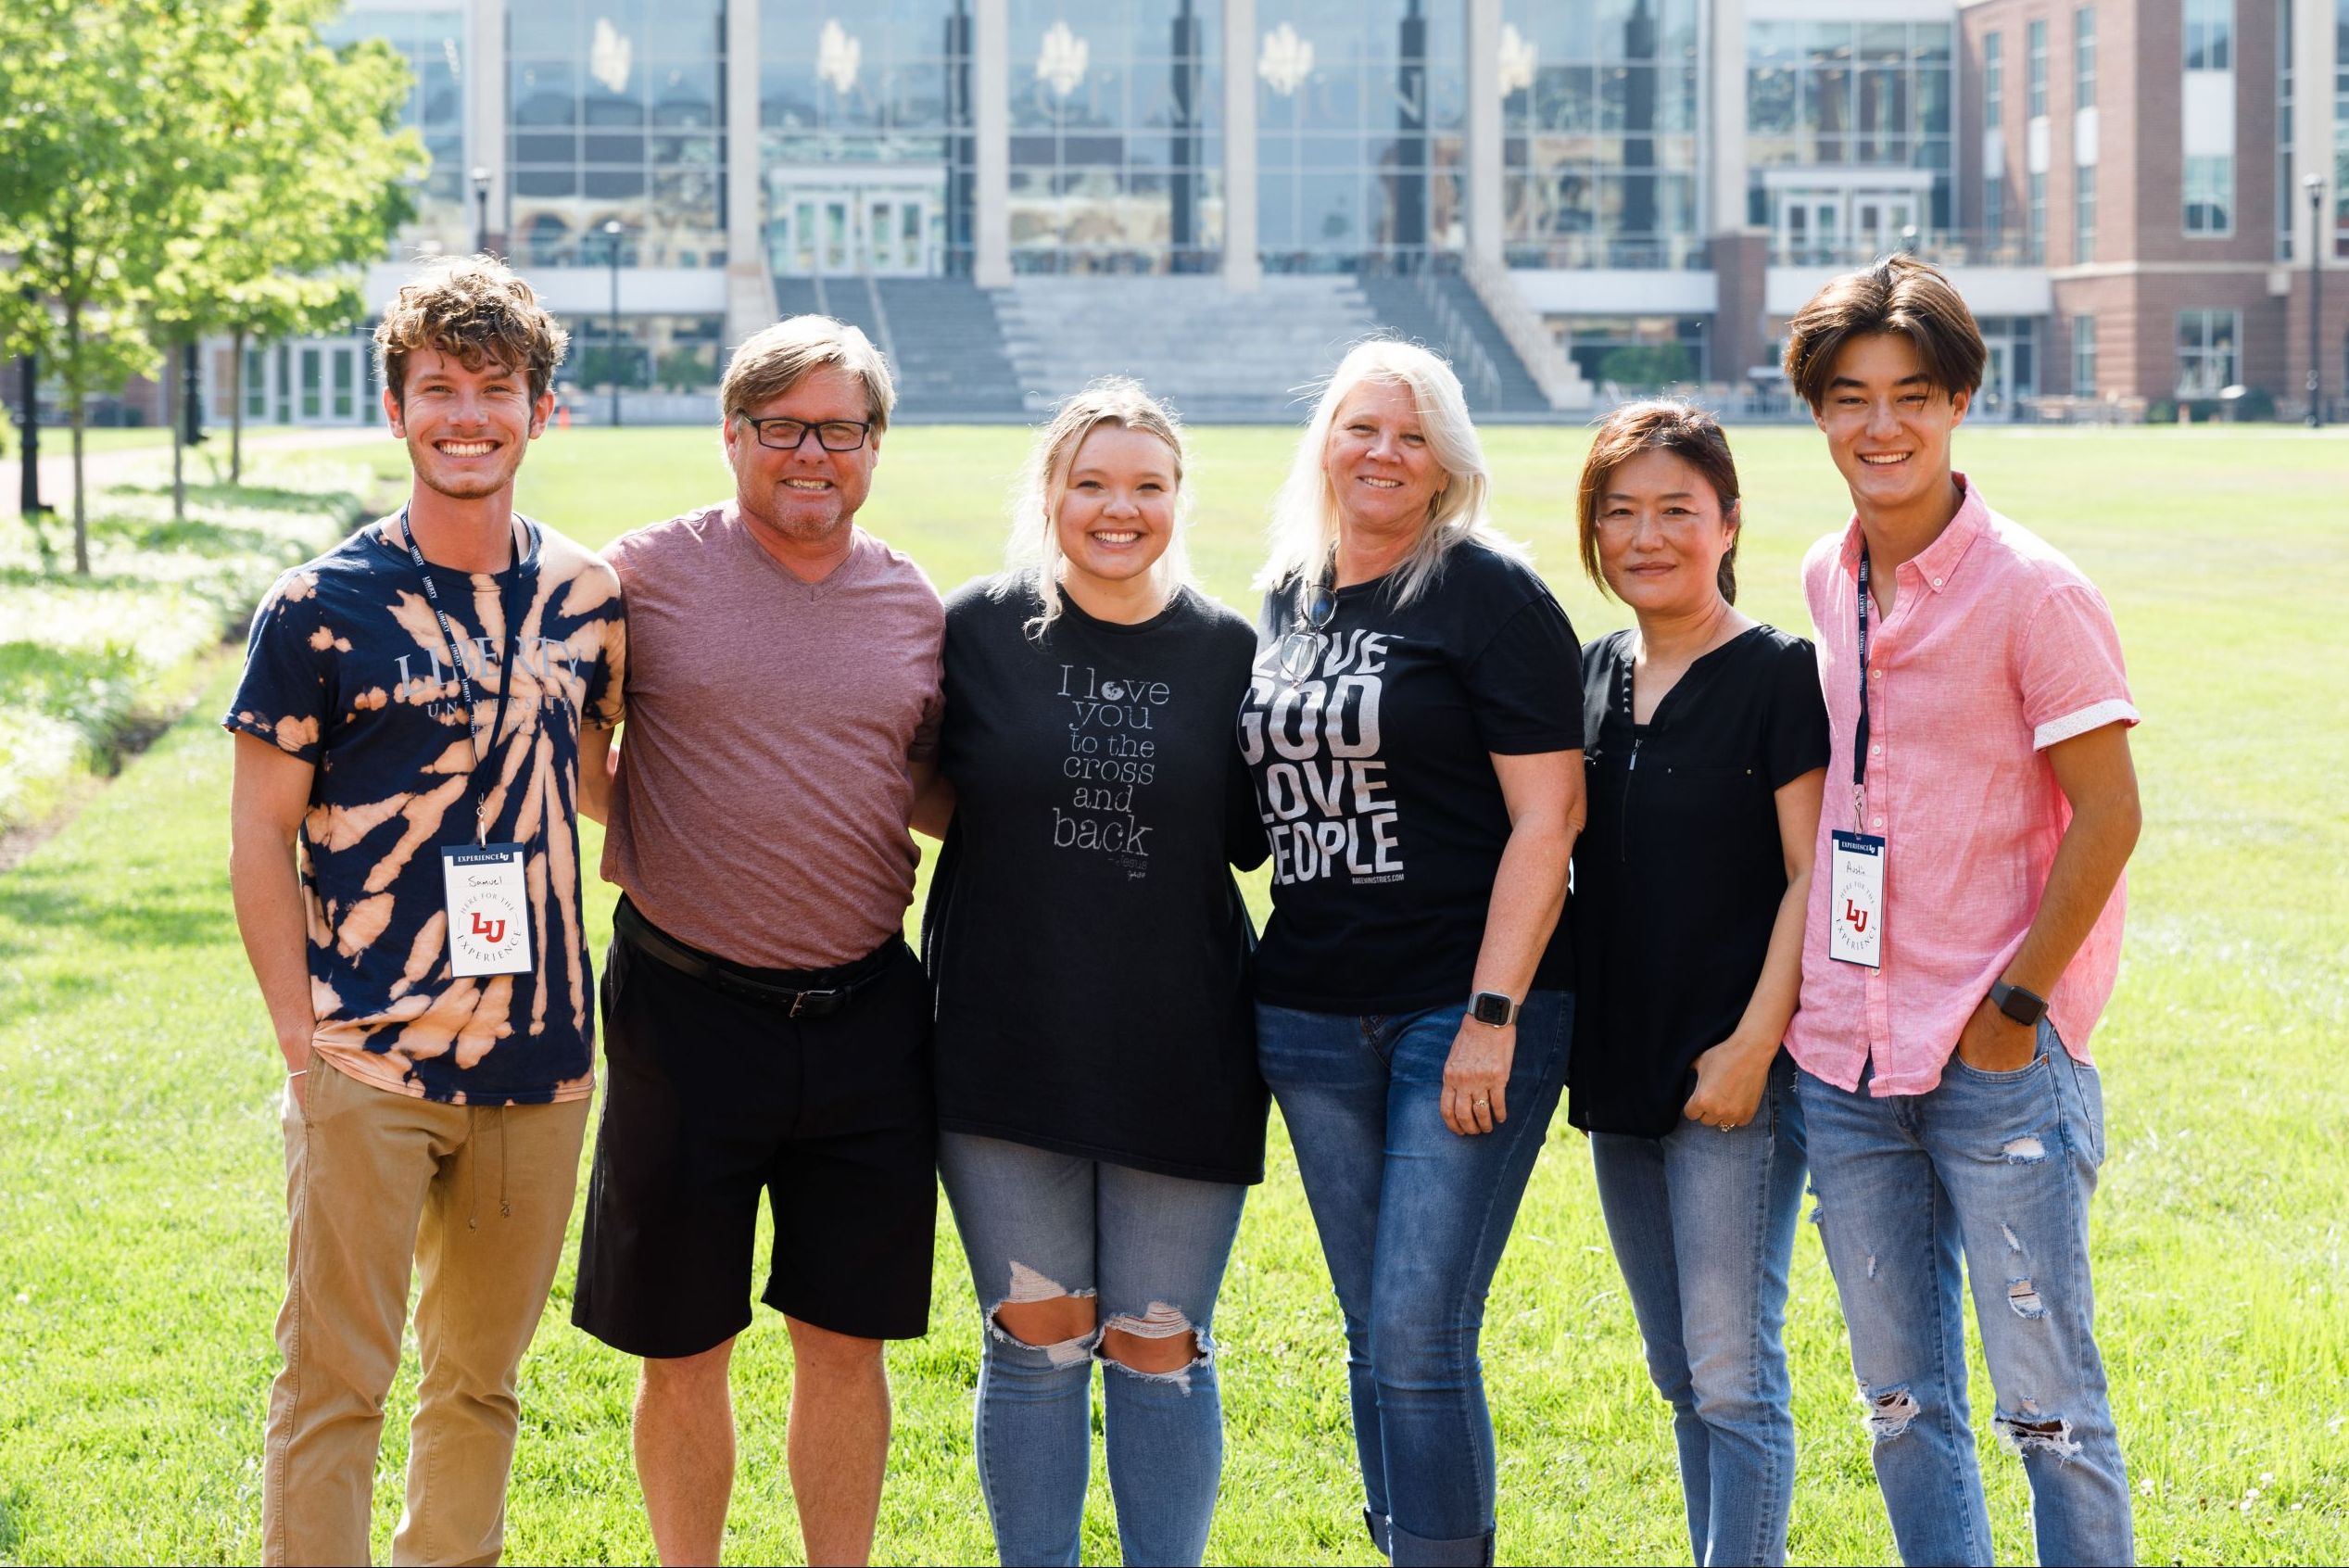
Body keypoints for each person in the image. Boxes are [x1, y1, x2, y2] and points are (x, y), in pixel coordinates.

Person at [225, 255, 623, 1566]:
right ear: (395, 408)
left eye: (496, 390)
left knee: (480, 1384)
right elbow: (258, 838)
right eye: (439, 389)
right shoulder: (316, 608)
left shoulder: (589, 598)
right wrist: (304, 1049)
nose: (467, 417)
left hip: (542, 1064)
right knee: (335, 1379)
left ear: (541, 411)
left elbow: (609, 792)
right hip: (368, 1056)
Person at [1783, 255, 2142, 1567]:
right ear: (1816, 413)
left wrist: (2012, 1012)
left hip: (1995, 1061)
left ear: (1958, 405)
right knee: (1899, 1410)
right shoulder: (1824, 575)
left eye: (1911, 396)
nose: (1880, 426)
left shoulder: (2034, 592)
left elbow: (2109, 815)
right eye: (1850, 397)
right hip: (1846, 1062)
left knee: (2050, 1415)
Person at [571, 317, 943, 1568]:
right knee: (684, 1344)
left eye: (840, 429)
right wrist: (662, 818)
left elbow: (922, 781)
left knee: (845, 1339)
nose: (811, 454)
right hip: (685, 1013)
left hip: (867, 1021)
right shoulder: (642, 575)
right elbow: (571, 741)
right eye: (782, 426)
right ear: (731, 435)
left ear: (875, 445)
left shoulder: (910, 601)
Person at [1235, 340, 1584, 1567]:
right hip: (1309, 1013)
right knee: (1369, 1330)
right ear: (1324, 443)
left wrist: (1492, 1013)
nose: (1383, 452)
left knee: (1419, 1332)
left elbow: (1550, 818)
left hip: (1461, 1004)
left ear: (1447, 464)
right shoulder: (1286, 596)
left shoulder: (1490, 595)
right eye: (1361, 427)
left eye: (1413, 433)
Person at [918, 377, 1269, 1566]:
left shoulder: (1231, 651)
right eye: (1094, 485)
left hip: (1183, 1050)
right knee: (1038, 1338)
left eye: (1148, 487)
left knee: (1158, 1345)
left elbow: (1248, 839)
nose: (1121, 509)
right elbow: (914, 785)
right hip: (1003, 1040)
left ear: (1180, 500)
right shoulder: (975, 629)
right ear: (1051, 494)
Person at [1566, 401, 1827, 1567]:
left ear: (1728, 523)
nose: (1647, 536)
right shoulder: (1592, 671)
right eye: (1619, 512)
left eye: (1677, 509)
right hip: (1621, 1064)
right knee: (1678, 1372)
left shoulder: (1778, 673)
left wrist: (1754, 1046)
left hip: (1734, 1069)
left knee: (1733, 1374)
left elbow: (1812, 874)